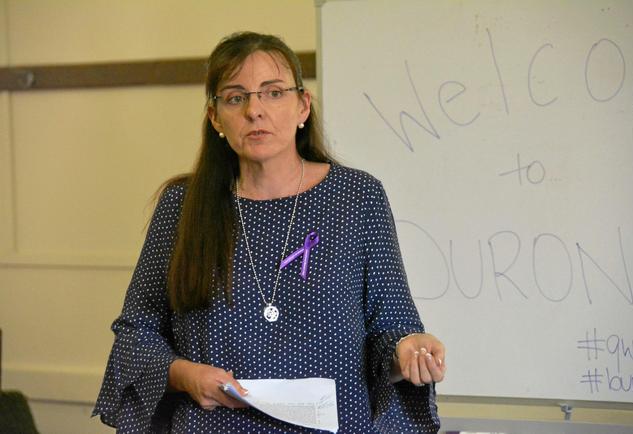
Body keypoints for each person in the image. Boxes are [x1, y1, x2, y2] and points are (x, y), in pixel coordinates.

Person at [93, 31, 446, 433]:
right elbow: (135, 332)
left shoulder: (357, 197)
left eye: (273, 93)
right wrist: (182, 373)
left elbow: (392, 324)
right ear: (215, 117)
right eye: (235, 97)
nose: (255, 111)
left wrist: (407, 350)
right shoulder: (182, 206)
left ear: (302, 106)